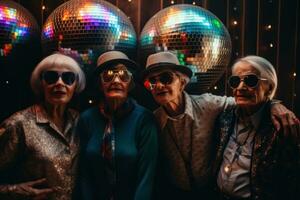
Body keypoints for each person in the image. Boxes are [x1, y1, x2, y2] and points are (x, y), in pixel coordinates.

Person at [140, 51, 299, 200]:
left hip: (208, 193)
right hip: (175, 194)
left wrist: (274, 104)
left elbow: (247, 101)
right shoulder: (152, 120)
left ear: (182, 82)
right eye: (152, 81)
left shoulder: (208, 105)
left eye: (166, 78)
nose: (159, 85)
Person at [0, 53, 86, 200]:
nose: (60, 83)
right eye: (51, 77)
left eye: (68, 78)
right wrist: (14, 190)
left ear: (75, 85)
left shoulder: (79, 120)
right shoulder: (18, 124)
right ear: (41, 83)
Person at [213, 55, 300, 200]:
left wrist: (273, 103)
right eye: (235, 81)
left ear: (269, 88)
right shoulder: (224, 116)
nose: (240, 88)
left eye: (250, 80)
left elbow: (291, 184)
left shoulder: (282, 126)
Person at [75, 51, 158, 200]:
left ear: (130, 83)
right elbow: (84, 174)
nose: (116, 80)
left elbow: (146, 176)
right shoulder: (86, 119)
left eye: (123, 75)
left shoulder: (144, 119)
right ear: (100, 84)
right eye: (108, 75)